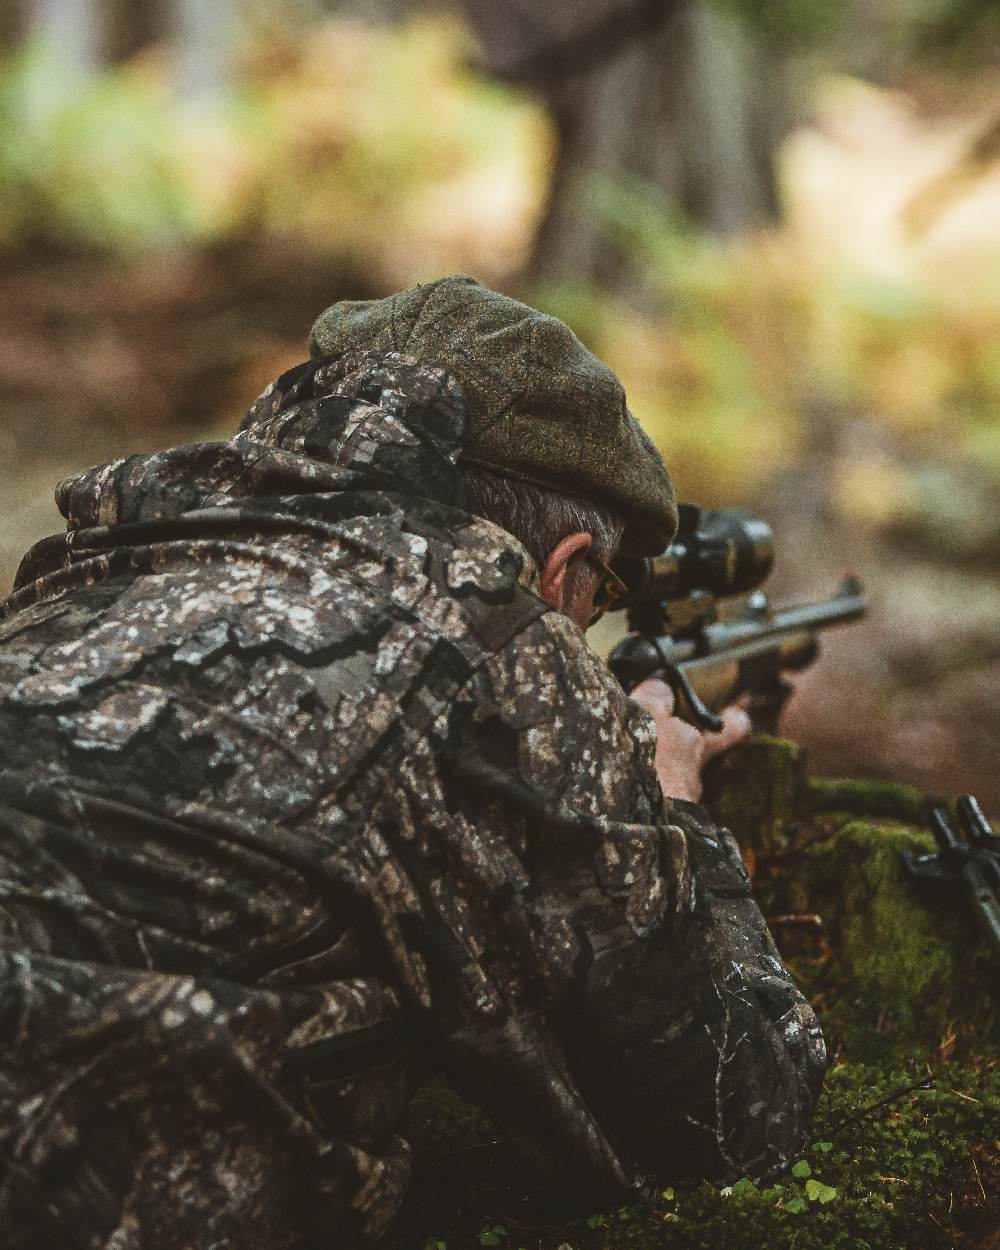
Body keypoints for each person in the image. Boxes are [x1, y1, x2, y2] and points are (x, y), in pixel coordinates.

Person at [0, 276, 825, 1249]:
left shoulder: (80, 571)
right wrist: (676, 804)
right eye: (595, 598)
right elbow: (733, 1116)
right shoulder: (490, 648)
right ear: (561, 569)